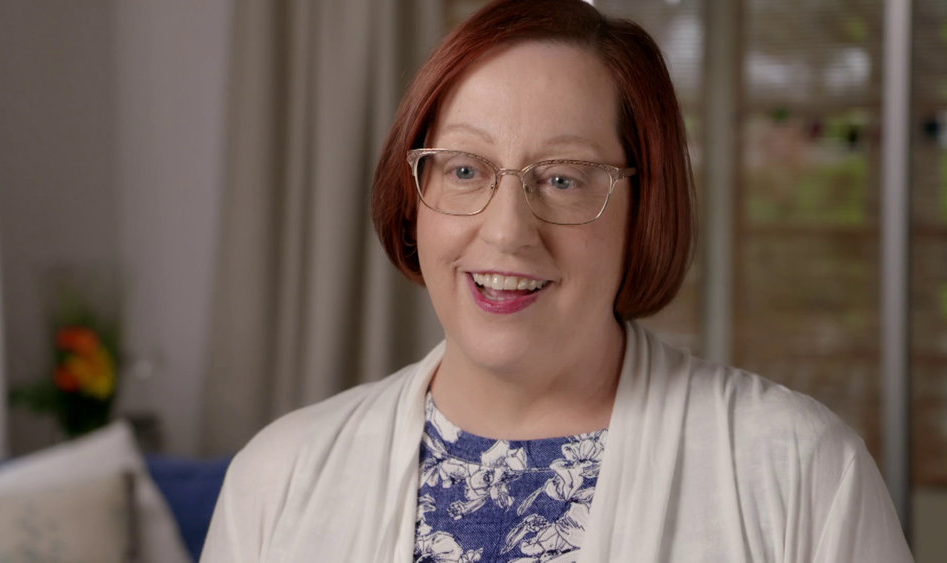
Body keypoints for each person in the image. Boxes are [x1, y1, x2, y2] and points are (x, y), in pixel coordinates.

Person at [201, 1, 912, 561]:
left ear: (644, 208)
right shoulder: (276, 477)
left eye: (564, 179)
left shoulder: (799, 471)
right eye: (465, 169)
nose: (507, 231)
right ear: (413, 197)